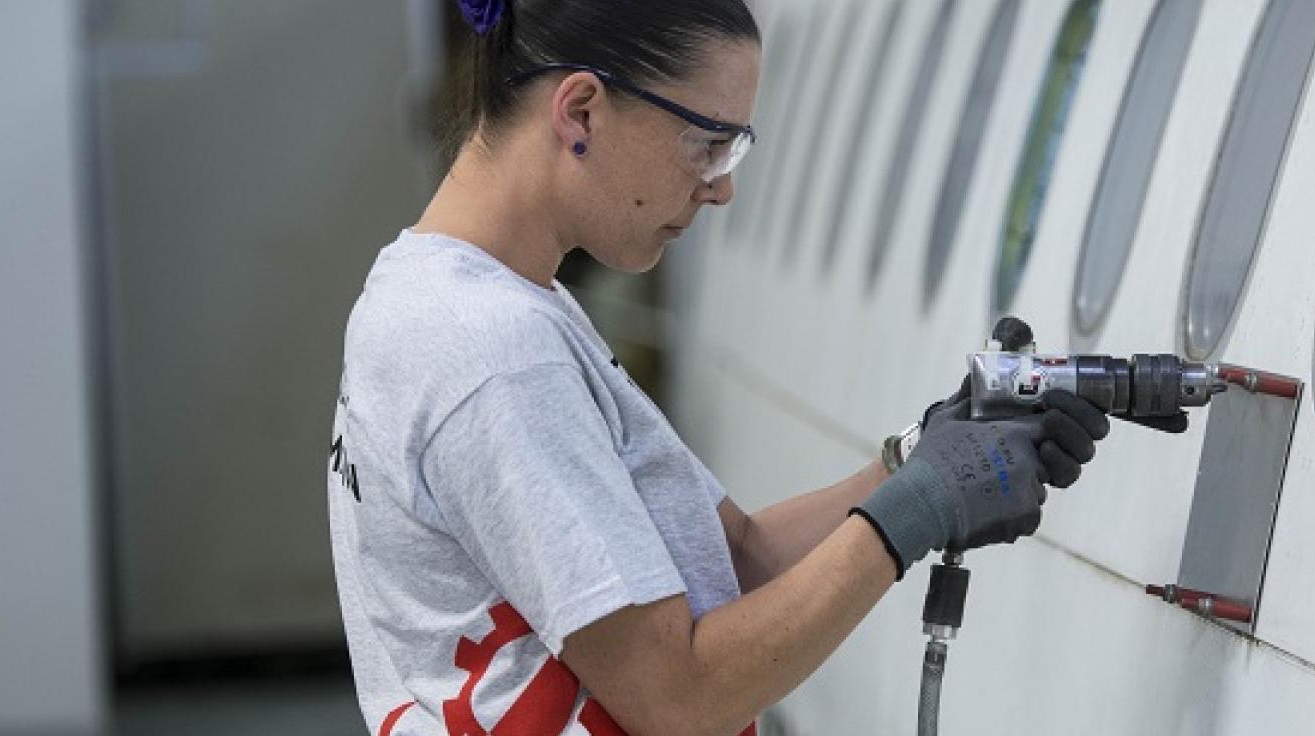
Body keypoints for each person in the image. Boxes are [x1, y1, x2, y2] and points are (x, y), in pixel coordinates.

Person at [326, 1, 1118, 733]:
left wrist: (922, 456)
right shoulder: (493, 352)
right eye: (708, 144)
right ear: (580, 111)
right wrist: (917, 515)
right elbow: (678, 697)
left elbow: (733, 558)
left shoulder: (464, 298)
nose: (723, 187)